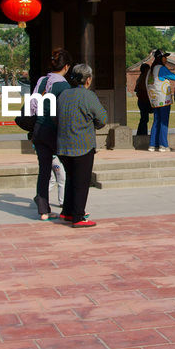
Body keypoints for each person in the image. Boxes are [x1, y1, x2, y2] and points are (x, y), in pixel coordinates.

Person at [56, 63, 107, 227]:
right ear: (88, 80)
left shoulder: (63, 94)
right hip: (82, 145)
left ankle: (67, 212)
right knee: (81, 181)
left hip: (63, 145)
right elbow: (102, 119)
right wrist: (94, 125)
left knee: (71, 178)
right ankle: (78, 216)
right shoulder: (88, 96)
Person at [30, 48, 72, 220]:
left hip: (39, 129)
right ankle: (69, 206)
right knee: (69, 167)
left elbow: (33, 104)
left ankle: (43, 209)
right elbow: (66, 111)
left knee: (44, 170)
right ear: (67, 67)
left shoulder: (41, 80)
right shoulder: (63, 85)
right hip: (54, 131)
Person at [146, 49, 175, 152]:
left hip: (155, 100)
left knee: (156, 121)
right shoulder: (162, 69)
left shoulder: (151, 70)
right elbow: (174, 77)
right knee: (163, 122)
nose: (166, 59)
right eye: (165, 57)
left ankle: (152, 144)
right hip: (163, 99)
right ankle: (163, 144)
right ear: (161, 58)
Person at [133, 63, 151, 137]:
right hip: (145, 101)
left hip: (142, 100)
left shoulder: (140, 77)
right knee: (144, 119)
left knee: (144, 119)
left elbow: (136, 90)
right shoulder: (144, 78)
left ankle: (141, 134)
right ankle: (142, 134)